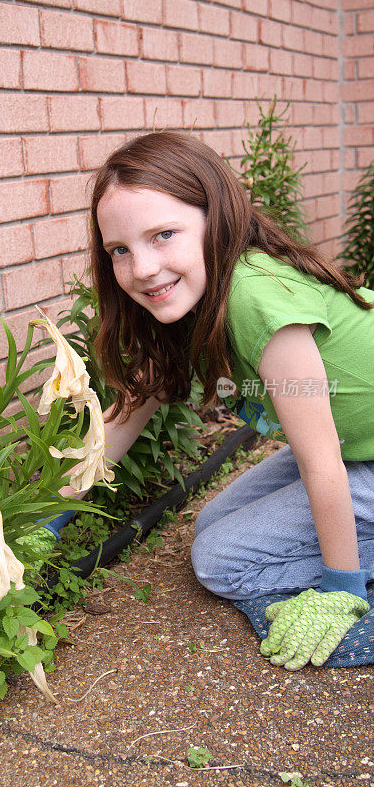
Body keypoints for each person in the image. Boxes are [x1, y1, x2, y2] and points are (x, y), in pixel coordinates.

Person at [30, 130, 374, 670]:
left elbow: (321, 460)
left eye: (163, 234)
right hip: (357, 445)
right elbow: (128, 414)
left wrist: (340, 588)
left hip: (348, 454)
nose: (142, 267)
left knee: (222, 560)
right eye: (120, 249)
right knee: (215, 525)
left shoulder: (255, 299)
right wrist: (48, 517)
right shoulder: (187, 300)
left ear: (218, 218)